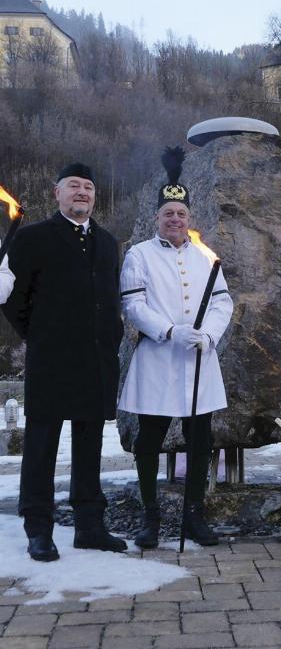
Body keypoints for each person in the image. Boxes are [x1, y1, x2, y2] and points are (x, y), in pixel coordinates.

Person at [3, 164, 127, 562]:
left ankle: (90, 525)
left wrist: (111, 337)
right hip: (52, 360)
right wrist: (39, 334)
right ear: (56, 193)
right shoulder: (33, 238)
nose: (82, 192)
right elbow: (11, 298)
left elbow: (110, 300)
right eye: (73, 186)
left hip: (95, 360)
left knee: (89, 445)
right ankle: (39, 527)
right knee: (41, 447)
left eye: (88, 187)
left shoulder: (108, 243)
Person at [118, 147, 233, 548]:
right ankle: (150, 518)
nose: (175, 219)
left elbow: (222, 302)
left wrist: (209, 334)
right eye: (168, 214)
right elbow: (133, 305)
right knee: (150, 440)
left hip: (200, 359)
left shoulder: (206, 257)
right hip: (158, 360)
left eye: (181, 214)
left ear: (189, 219)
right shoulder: (139, 255)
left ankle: (193, 517)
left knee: (201, 440)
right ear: (157, 218)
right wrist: (169, 331)